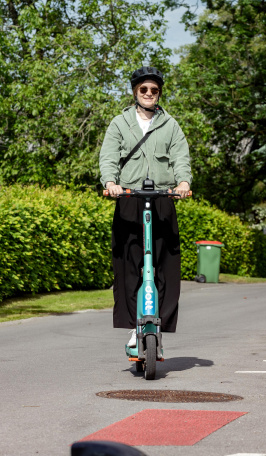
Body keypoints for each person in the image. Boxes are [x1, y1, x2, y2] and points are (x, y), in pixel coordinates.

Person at [99, 66, 192, 348]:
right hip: (129, 198)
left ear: (159, 93)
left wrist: (184, 182)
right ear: (135, 92)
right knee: (128, 265)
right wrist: (111, 181)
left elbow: (180, 156)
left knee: (166, 266)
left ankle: (157, 323)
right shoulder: (119, 123)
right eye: (144, 90)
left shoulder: (170, 124)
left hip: (162, 199)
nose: (149, 94)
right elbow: (109, 155)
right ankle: (132, 326)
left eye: (154, 90)